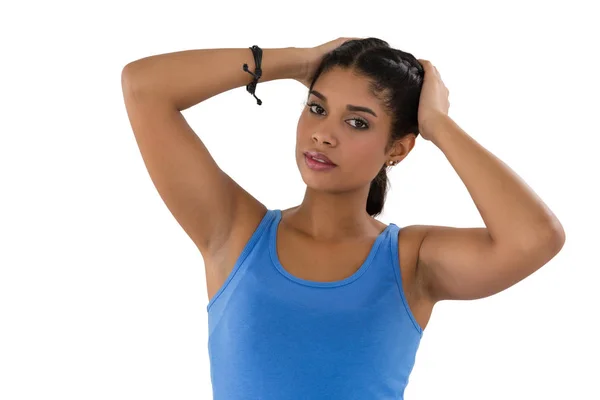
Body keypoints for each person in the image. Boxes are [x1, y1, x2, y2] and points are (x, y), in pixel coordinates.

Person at [121, 37, 566, 399]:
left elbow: (536, 238)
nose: (323, 133)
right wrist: (300, 61)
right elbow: (144, 86)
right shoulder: (235, 234)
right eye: (316, 107)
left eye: (357, 123)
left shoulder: (411, 262)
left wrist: (436, 124)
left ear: (398, 148)